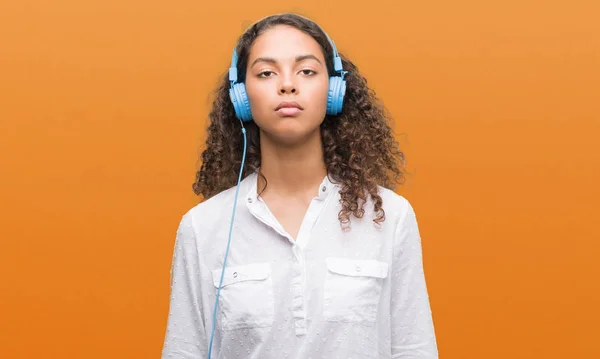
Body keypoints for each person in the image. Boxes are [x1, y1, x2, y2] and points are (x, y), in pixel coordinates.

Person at [161, 12, 438, 359]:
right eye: (266, 73)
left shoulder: (391, 217)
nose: (287, 85)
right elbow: (183, 352)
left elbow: (415, 350)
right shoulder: (202, 227)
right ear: (240, 97)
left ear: (334, 90)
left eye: (307, 71)